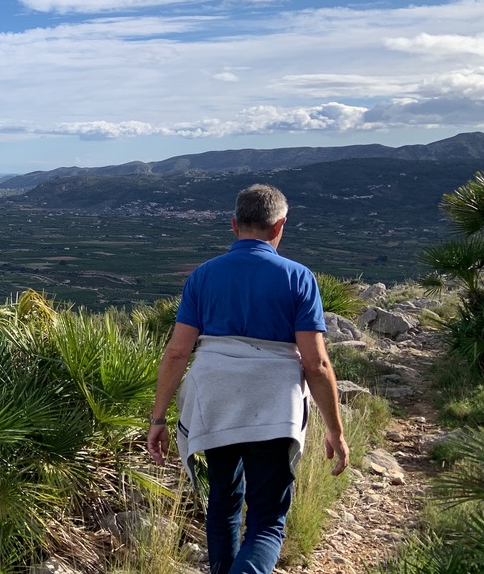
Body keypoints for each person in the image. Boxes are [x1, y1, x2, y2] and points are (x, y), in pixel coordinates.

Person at [145, 183, 349, 574]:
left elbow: (176, 352)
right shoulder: (298, 277)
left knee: (222, 504)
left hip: (214, 400)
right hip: (275, 405)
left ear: (234, 225)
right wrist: (334, 429)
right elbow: (316, 363)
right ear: (279, 227)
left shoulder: (203, 276)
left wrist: (158, 419)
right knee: (268, 522)